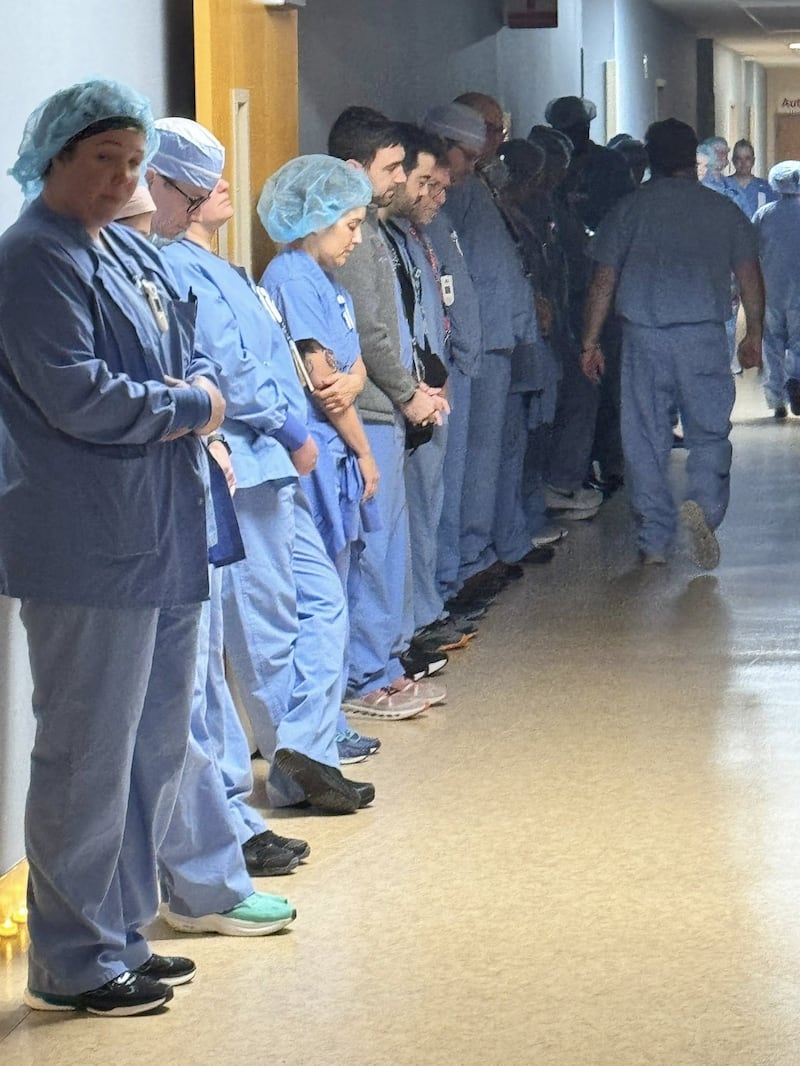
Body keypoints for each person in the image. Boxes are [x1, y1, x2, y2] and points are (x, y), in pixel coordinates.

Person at [0, 79, 228, 1016]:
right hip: (88, 546)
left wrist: (197, 391)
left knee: (151, 749)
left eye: (135, 165)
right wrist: (192, 407)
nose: (122, 180)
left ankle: (123, 931)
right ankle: (72, 961)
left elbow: (191, 346)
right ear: (56, 157)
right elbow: (80, 395)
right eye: (105, 161)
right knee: (86, 756)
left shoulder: (121, 253)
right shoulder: (31, 260)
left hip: (159, 532)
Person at [151, 119, 376, 813]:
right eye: (202, 173)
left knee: (320, 605)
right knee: (265, 632)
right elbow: (229, 370)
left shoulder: (232, 272)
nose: (224, 183)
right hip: (245, 467)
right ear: (162, 186)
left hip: (274, 466)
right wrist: (290, 427)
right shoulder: (178, 267)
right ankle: (287, 773)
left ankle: (301, 753)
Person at [581, 118, 764, 570]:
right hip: (702, 334)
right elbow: (749, 276)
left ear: (650, 158)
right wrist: (755, 331)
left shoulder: (629, 209)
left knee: (644, 437)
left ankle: (655, 539)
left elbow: (604, 278)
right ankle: (704, 503)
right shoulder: (721, 210)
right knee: (709, 431)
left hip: (644, 336)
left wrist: (589, 340)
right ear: (691, 157)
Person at [257, 153, 392, 757]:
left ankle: (327, 719)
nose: (357, 238)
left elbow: (352, 368)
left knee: (338, 589)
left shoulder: (327, 284)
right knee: (319, 601)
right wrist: (366, 454)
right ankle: (315, 730)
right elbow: (326, 385)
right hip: (320, 454)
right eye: (351, 225)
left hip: (336, 449)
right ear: (314, 219)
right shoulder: (290, 279)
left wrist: (357, 378)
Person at [329, 106, 447, 714]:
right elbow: (371, 338)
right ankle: (367, 675)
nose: (402, 179)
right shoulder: (353, 240)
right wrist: (409, 393)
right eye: (392, 167)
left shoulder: (374, 233)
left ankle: (386, 659)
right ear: (354, 169)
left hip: (388, 410)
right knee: (374, 552)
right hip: (373, 412)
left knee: (391, 547)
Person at [752, 161, 800, 418]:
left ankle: (776, 400)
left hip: (770, 289)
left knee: (772, 343)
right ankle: (797, 382)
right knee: (799, 341)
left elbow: (749, 251)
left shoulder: (764, 214)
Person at [724, 138, 777, 219]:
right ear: (733, 161)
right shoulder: (724, 185)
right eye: (739, 158)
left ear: (753, 160)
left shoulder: (766, 188)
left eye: (747, 158)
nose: (743, 163)